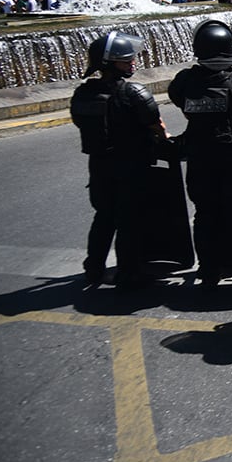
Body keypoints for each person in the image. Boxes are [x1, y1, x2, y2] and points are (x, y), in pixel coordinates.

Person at [168, 20, 232, 289]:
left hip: (200, 158)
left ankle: (209, 270)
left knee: (205, 215)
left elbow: (182, 105)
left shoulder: (184, 81)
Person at [70, 32, 168, 287]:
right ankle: (128, 273)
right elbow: (154, 123)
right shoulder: (133, 91)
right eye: (125, 60)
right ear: (110, 63)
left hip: (100, 165)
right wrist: (164, 137)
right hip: (130, 165)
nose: (132, 62)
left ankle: (93, 267)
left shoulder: (84, 94)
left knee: (103, 217)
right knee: (129, 221)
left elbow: (80, 122)